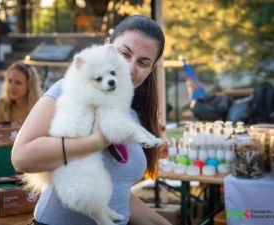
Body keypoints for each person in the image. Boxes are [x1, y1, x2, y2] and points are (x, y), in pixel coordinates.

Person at [12, 15, 171, 225]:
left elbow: (119, 193)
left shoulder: (133, 111)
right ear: (107, 47)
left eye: (143, 62)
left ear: (152, 69)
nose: (130, 68)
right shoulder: (70, 89)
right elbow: (22, 157)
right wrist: (96, 142)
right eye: (124, 53)